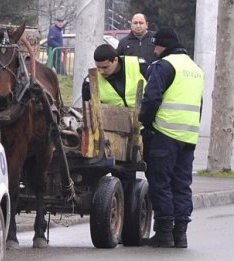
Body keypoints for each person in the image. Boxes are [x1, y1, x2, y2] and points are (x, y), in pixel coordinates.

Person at [139, 27, 204, 248]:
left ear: (163, 45)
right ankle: (181, 234)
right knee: (182, 185)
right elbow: (199, 103)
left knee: (160, 182)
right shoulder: (196, 69)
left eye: (156, 45)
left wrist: (146, 124)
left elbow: (151, 99)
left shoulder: (164, 66)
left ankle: (164, 233)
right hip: (188, 136)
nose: (154, 50)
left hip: (165, 135)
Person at [82, 44, 148, 190]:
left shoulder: (138, 66)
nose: (101, 71)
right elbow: (88, 110)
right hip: (110, 133)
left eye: (105, 67)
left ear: (115, 60)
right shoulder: (91, 81)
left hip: (141, 128)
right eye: (98, 67)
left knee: (137, 174)